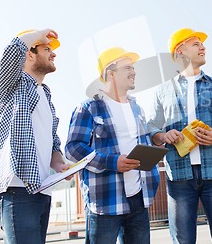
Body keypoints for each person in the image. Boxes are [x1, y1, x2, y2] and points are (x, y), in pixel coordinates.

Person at [147, 28, 212, 244]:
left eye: (202, 44)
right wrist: (163, 136)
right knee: (183, 241)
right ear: (180, 51)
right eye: (196, 44)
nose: (203, 47)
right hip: (179, 178)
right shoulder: (163, 91)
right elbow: (151, 128)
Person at [65, 47, 160, 244]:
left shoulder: (137, 109)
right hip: (105, 201)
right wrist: (111, 162)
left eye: (133, 67)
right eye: (127, 67)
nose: (134, 72)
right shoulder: (88, 107)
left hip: (139, 199)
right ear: (111, 73)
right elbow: (73, 148)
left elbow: (142, 144)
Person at [0, 29, 70, 244]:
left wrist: (60, 163)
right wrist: (41, 33)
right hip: (17, 189)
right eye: (47, 49)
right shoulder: (11, 87)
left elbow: (52, 139)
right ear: (29, 53)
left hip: (42, 188)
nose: (53, 54)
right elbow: (10, 54)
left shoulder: (45, 94)